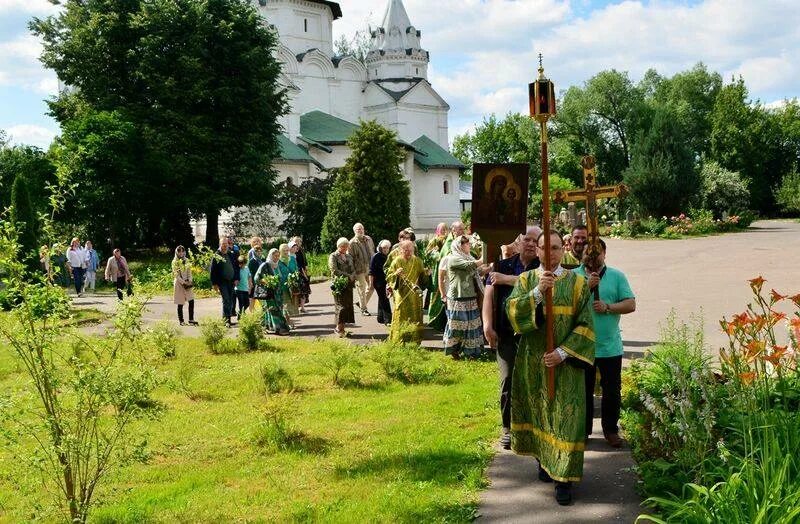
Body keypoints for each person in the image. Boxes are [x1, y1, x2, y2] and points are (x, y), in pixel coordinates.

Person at [505, 231, 595, 505]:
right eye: (545, 248)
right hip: (534, 363)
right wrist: (537, 293)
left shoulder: (577, 283)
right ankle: (545, 462)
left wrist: (561, 352)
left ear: (563, 249)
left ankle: (564, 481)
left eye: (556, 248)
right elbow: (513, 314)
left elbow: (586, 324)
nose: (550, 253)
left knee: (566, 419)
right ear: (537, 249)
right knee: (541, 414)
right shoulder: (526, 280)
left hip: (564, 366)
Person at [573, 239, 636, 448]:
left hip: (609, 346)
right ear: (582, 255)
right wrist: (587, 288)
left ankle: (610, 429)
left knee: (611, 391)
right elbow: (567, 307)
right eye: (589, 253)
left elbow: (630, 304)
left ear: (605, 254)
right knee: (583, 390)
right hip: (583, 345)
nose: (593, 257)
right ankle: (583, 430)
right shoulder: (574, 276)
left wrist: (608, 307)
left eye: (597, 253)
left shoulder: (617, 276)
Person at [483, 226, 541, 449]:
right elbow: (489, 294)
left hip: (533, 335)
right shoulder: (502, 264)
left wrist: (506, 279)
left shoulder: (541, 269)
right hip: (506, 334)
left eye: (535, 241)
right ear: (518, 242)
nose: (530, 244)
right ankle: (507, 428)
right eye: (527, 239)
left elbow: (535, 283)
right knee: (507, 380)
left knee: (532, 381)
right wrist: (487, 325)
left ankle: (533, 425)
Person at [442, 235, 488, 359]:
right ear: (459, 246)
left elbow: (477, 271)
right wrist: (486, 245)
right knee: (458, 325)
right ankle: (454, 350)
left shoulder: (468, 257)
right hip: (457, 297)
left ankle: (471, 352)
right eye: (466, 243)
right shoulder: (453, 259)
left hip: (470, 296)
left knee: (472, 325)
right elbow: (471, 266)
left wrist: (490, 268)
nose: (469, 245)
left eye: (468, 243)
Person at [386, 240, 428, 344]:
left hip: (414, 294)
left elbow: (423, 278)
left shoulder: (418, 261)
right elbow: (389, 276)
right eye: (406, 250)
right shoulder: (396, 261)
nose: (408, 252)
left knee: (415, 316)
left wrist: (427, 274)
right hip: (401, 293)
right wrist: (396, 274)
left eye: (410, 250)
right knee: (401, 314)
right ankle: (399, 340)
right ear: (401, 250)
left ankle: (414, 341)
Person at [428, 220, 466, 330]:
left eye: (463, 229)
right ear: (454, 230)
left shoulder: (460, 240)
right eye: (461, 229)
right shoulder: (450, 243)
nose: (463, 231)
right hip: (449, 278)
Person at [255, 249, 290, 335]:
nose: (277, 257)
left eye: (278, 256)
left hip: (278, 293)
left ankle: (267, 327)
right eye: (275, 256)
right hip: (269, 292)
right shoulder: (265, 265)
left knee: (274, 310)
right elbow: (256, 278)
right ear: (271, 255)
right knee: (274, 310)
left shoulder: (277, 265)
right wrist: (266, 281)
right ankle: (279, 329)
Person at [328, 238, 356, 337]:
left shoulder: (349, 256)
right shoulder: (333, 256)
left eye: (346, 246)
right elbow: (334, 270)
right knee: (340, 306)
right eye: (342, 246)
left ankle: (342, 327)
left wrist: (353, 275)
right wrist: (348, 276)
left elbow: (353, 268)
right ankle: (338, 328)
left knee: (348, 305)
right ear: (338, 246)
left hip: (349, 284)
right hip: (339, 284)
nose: (344, 248)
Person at [210, 237, 239, 327]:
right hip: (222, 282)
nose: (225, 245)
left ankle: (227, 320)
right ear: (220, 244)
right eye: (223, 244)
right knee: (226, 300)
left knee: (230, 301)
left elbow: (236, 267)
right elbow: (213, 270)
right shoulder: (216, 255)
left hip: (231, 281)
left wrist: (237, 278)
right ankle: (226, 321)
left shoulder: (231, 254)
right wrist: (214, 284)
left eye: (226, 243)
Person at [349, 223, 375, 316]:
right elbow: (350, 258)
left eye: (362, 229)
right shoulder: (352, 243)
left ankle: (360, 303)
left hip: (370, 267)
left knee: (372, 287)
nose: (360, 231)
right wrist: (353, 272)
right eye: (358, 229)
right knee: (362, 288)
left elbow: (373, 251)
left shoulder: (369, 239)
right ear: (354, 231)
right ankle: (364, 309)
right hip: (359, 269)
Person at [172, 245, 197, 325]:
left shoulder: (187, 260)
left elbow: (189, 272)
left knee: (191, 300)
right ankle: (181, 320)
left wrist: (189, 281)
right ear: (177, 252)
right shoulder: (174, 262)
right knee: (180, 302)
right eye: (179, 251)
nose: (181, 253)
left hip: (187, 282)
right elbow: (176, 275)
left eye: (182, 251)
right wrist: (183, 282)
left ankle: (191, 319)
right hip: (179, 284)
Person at [369, 240, 393, 325]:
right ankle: (388, 320)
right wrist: (371, 284)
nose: (386, 249)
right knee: (385, 299)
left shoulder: (389, 256)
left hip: (386, 280)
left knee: (382, 299)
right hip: (378, 281)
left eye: (387, 248)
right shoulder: (375, 256)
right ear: (380, 248)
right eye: (384, 248)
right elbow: (371, 272)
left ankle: (380, 318)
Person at [277, 243, 299, 325]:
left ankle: (288, 321)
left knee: (291, 304)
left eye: (287, 250)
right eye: (284, 250)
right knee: (285, 304)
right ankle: (288, 322)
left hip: (292, 285)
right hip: (283, 285)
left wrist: (295, 278)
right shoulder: (278, 261)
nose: (286, 252)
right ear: (280, 251)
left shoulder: (292, 259)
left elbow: (296, 270)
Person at [291, 237, 311, 312]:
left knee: (304, 289)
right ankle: (297, 307)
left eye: (299, 242)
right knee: (298, 290)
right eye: (296, 241)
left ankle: (302, 307)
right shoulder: (292, 251)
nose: (297, 243)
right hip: (296, 271)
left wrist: (306, 269)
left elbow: (304, 260)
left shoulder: (301, 250)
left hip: (302, 270)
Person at [247, 237, 265, 313]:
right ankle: (251, 312)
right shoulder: (252, 254)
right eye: (254, 241)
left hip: (260, 279)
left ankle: (261, 312)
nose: (256, 242)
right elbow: (250, 270)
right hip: (254, 279)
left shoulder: (261, 258)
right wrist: (251, 282)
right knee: (253, 296)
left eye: (258, 241)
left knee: (259, 296)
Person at [235, 255, 252, 320]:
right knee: (241, 303)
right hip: (239, 289)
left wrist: (250, 286)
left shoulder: (247, 268)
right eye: (240, 263)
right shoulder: (237, 269)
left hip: (246, 289)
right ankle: (240, 316)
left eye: (243, 264)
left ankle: (241, 312)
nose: (241, 265)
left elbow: (249, 277)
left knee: (247, 303)